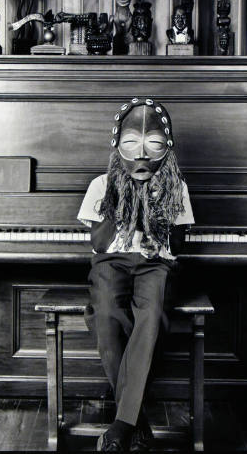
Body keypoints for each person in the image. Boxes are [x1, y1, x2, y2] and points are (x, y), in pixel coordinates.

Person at [77, 98, 194, 451]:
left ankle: (121, 424)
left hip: (156, 263)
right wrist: (122, 205)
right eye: (131, 146)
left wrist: (155, 221)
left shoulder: (175, 187)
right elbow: (98, 242)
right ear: (118, 148)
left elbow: (179, 242)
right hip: (111, 262)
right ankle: (133, 423)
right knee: (107, 315)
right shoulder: (101, 184)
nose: (142, 158)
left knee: (151, 317)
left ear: (166, 149)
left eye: (153, 147)